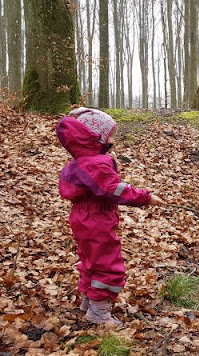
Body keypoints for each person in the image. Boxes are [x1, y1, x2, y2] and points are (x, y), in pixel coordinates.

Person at [56, 107, 165, 326]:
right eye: (110, 136)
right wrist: (145, 197)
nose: (113, 141)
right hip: (96, 218)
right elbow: (113, 189)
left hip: (81, 217)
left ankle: (89, 300)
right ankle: (99, 312)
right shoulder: (96, 163)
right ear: (97, 137)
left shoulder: (78, 162)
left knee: (90, 260)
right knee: (107, 263)